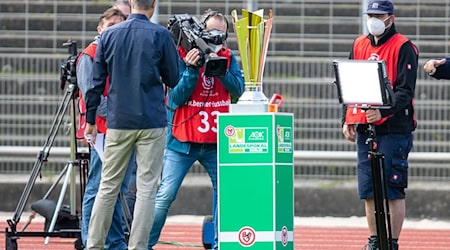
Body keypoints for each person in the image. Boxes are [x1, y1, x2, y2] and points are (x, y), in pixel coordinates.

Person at [84, 0, 179, 249]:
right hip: (151, 119)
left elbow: (95, 83)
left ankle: (93, 244)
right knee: (147, 188)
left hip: (118, 120)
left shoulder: (110, 34)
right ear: (154, 4)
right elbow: (173, 77)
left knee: (108, 186)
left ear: (131, 3)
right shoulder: (161, 34)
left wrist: (91, 120)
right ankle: (138, 246)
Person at [147, 9, 245, 250]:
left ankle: (220, 244)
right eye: (211, 32)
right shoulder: (182, 55)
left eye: (221, 34)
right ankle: (143, 244)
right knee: (165, 195)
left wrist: (218, 66)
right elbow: (175, 98)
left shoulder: (229, 57)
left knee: (226, 195)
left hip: (216, 141)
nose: (216, 38)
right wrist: (192, 70)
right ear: (201, 31)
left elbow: (238, 90)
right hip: (182, 141)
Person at [341, 1, 418, 249]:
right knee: (369, 188)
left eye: (379, 15)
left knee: (392, 187)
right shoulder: (359, 44)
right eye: (371, 14)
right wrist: (347, 118)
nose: (373, 19)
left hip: (395, 128)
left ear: (390, 18)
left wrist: (383, 110)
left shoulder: (404, 47)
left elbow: (405, 91)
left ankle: (392, 241)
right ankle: (374, 239)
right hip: (365, 125)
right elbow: (349, 82)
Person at [75, 7, 133, 249]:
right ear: (100, 29)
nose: (114, 31)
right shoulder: (90, 55)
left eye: (119, 27)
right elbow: (92, 98)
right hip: (102, 131)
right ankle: (92, 240)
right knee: (98, 187)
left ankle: (114, 241)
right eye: (110, 26)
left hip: (120, 129)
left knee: (117, 189)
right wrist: (124, 113)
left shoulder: (119, 54)